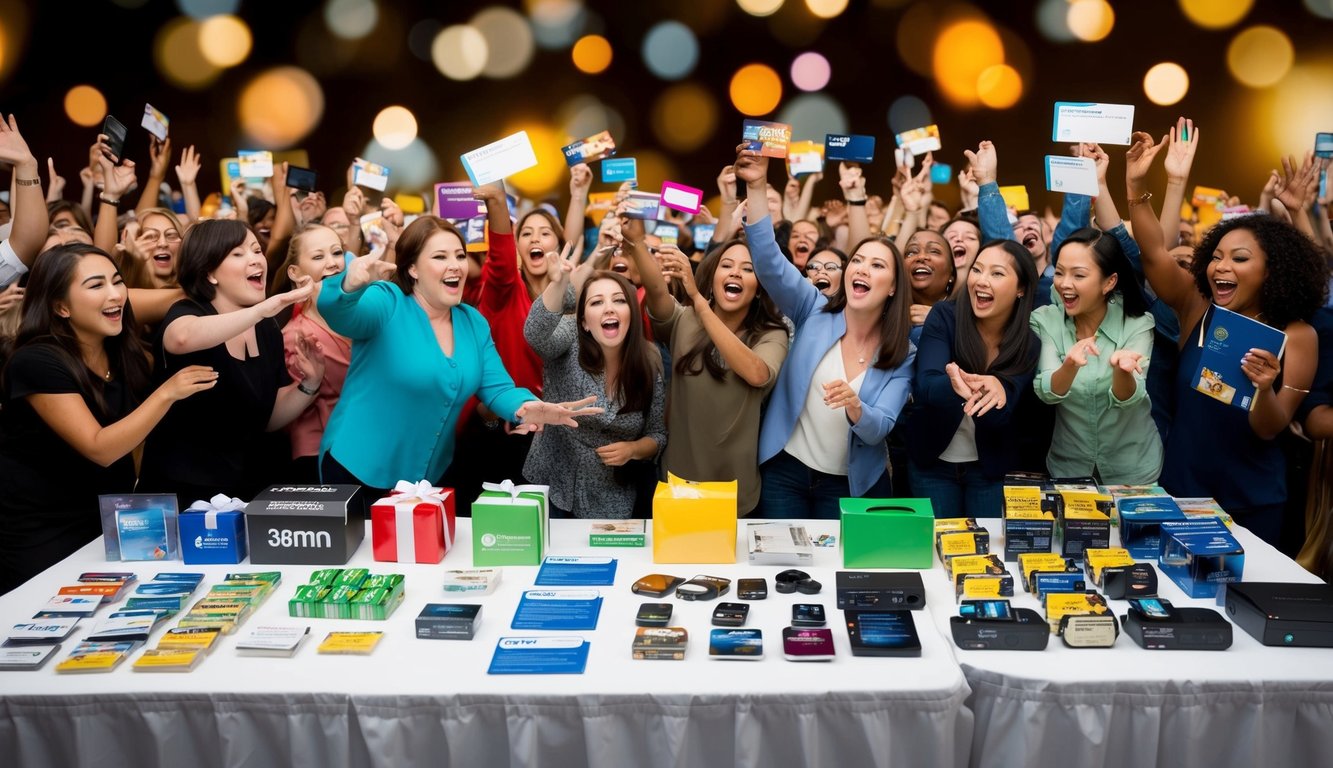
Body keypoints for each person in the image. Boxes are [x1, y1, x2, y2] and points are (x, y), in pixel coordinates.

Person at [1126, 129, 1325, 545]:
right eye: (1216, 257)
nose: (1221, 268)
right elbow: (1154, 255)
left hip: (1253, 502)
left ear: (1273, 271)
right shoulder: (1197, 307)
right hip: (1182, 493)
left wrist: (1264, 388)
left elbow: (1270, 428)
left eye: (1239, 259)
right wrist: (1137, 184)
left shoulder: (1297, 335)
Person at [317, 216, 600, 501]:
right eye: (440, 257)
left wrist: (527, 407)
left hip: (428, 480)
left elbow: (498, 388)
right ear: (413, 268)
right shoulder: (387, 300)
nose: (455, 265)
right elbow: (342, 316)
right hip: (356, 471)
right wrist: (349, 286)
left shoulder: (472, 322)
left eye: (460, 256)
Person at [0, 244, 216, 593]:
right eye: (96, 285)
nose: (115, 294)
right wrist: (166, 393)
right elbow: (99, 448)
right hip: (40, 528)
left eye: (118, 281)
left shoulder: (126, 354)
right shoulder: (36, 361)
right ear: (60, 306)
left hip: (107, 521)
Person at [738, 145, 915, 519]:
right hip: (785, 471)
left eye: (877, 265)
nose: (862, 269)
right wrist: (756, 187)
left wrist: (855, 405)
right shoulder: (813, 308)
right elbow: (769, 262)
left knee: (837, 575)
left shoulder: (904, 352)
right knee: (781, 571)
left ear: (894, 286)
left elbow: (879, 428)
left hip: (847, 485)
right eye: (858, 261)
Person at [138, 220, 324, 502]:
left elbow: (267, 419)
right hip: (182, 494)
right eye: (238, 254)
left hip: (241, 492)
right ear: (209, 272)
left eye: (256, 250)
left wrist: (309, 384)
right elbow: (181, 338)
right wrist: (263, 309)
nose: (256, 259)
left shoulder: (266, 328)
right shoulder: (188, 311)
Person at [627, 223, 790, 516]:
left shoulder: (771, 335)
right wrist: (637, 242)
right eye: (726, 265)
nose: (735, 273)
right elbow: (655, 290)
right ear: (714, 277)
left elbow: (757, 373)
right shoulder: (685, 319)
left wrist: (699, 301)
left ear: (759, 289)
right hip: (678, 482)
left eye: (748, 269)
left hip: (736, 489)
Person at [522, 245, 667, 518]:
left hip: (614, 499)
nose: (609, 309)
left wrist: (634, 449)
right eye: (596, 302)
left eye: (619, 301)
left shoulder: (648, 363)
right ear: (585, 321)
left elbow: (658, 435)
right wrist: (558, 283)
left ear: (631, 315)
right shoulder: (568, 340)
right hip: (553, 486)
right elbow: (535, 334)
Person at [906, 240, 1039, 517]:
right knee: (937, 552)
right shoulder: (945, 316)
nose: (982, 280)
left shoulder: (1028, 343)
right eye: (977, 270)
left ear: (1021, 289)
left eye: (997, 273)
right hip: (933, 464)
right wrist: (957, 385)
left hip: (990, 469)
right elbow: (926, 387)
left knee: (984, 554)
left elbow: (1003, 417)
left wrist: (998, 389)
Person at [1030, 228, 1161, 483]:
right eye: (1059, 272)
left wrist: (1121, 371)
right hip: (1069, 468)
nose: (1065, 283)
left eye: (1078, 275)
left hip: (1134, 469)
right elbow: (1046, 391)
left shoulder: (1137, 323)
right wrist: (1069, 365)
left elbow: (1130, 398)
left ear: (1109, 282)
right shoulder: (1046, 320)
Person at [271, 223, 352, 482]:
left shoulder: (361, 316)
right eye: (318, 257)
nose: (332, 264)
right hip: (321, 459)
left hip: (364, 451)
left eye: (337, 253)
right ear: (295, 272)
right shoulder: (297, 336)